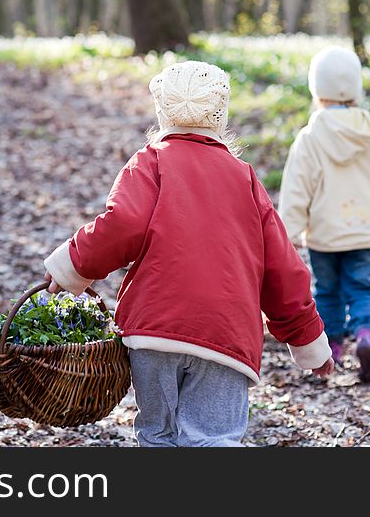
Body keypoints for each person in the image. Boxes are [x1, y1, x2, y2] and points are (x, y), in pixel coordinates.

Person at [43, 60, 333, 447]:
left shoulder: (150, 162)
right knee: (214, 439)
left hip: (155, 330)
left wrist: (71, 267)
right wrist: (309, 341)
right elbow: (283, 270)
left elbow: (121, 225)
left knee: (158, 435)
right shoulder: (243, 178)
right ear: (220, 115)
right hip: (225, 333)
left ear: (162, 110)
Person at [279, 46, 370, 383]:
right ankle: (366, 335)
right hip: (365, 232)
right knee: (364, 289)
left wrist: (287, 236)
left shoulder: (309, 138)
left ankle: (331, 349)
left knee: (328, 291)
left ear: (316, 90)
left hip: (324, 236)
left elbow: (297, 189)